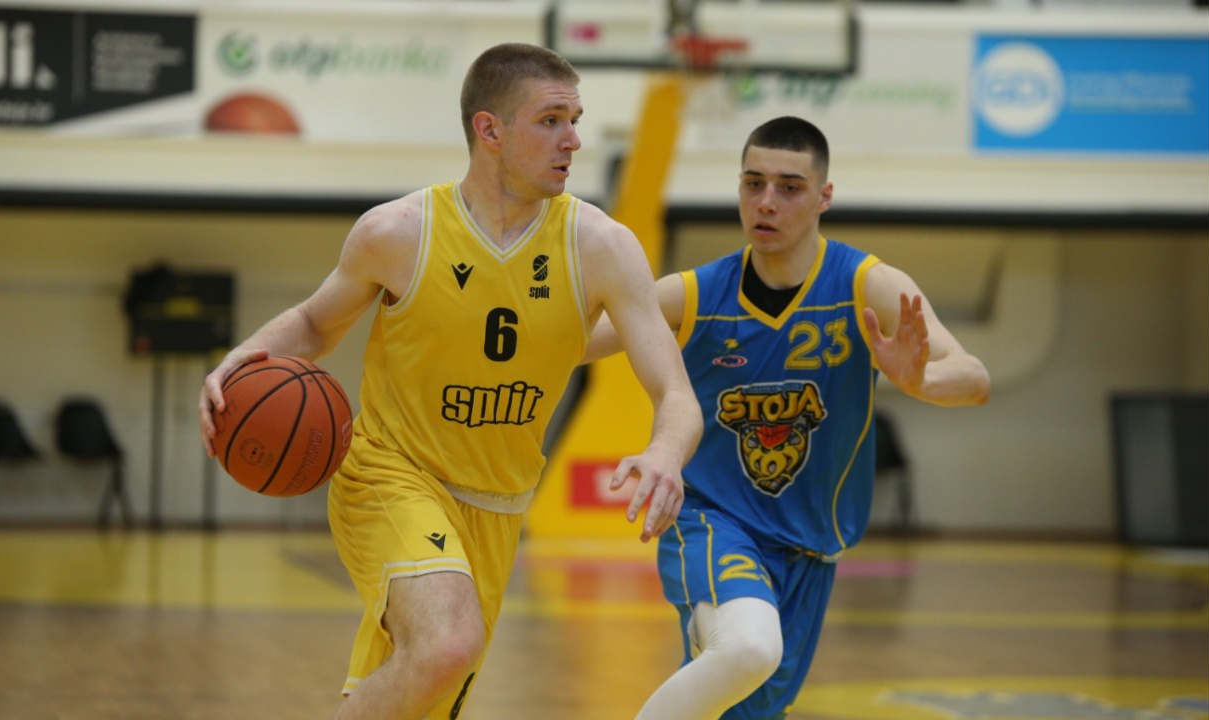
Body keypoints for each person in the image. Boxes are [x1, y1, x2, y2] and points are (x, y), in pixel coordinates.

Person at [198, 43, 702, 720]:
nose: (574, 140)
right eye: (551, 120)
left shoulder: (602, 247)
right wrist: (243, 357)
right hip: (390, 475)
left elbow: (675, 394)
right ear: (489, 129)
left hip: (498, 506)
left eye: (575, 120)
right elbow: (316, 324)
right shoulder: (399, 232)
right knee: (447, 644)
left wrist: (665, 452)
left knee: (424, 685)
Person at [584, 116, 991, 720]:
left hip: (810, 545)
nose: (766, 202)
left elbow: (974, 377)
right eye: (753, 183)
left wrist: (919, 381)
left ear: (824, 196)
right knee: (749, 648)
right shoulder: (697, 293)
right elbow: (568, 344)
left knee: (747, 701)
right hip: (714, 519)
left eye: (789, 187)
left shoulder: (865, 286)